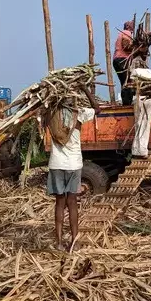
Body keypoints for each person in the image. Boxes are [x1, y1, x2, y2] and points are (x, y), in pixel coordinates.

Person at [46, 84, 101, 252]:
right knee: (72, 203)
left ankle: (59, 242)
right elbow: (97, 109)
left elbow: (41, 110)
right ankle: (75, 241)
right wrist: (85, 89)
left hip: (56, 164)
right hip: (74, 165)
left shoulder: (50, 114)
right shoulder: (79, 114)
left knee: (59, 203)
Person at [129, 54, 151, 158]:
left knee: (138, 123)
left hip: (140, 98)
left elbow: (132, 86)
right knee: (146, 123)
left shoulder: (135, 72)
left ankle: (137, 150)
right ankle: (143, 150)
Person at [113, 20, 135, 106]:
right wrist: (134, 47)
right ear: (129, 27)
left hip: (116, 60)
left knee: (123, 82)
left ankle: (126, 102)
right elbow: (126, 46)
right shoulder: (127, 33)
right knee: (127, 82)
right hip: (122, 60)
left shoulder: (121, 33)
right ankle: (127, 103)